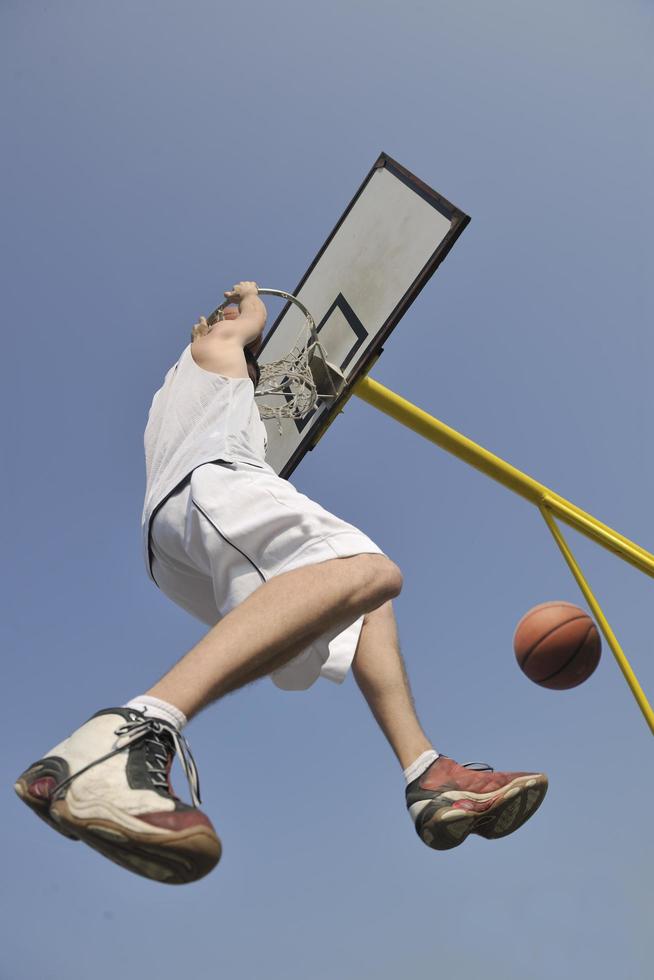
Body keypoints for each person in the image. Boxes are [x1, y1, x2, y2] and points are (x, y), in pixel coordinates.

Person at [14, 281, 548, 885]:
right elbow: (246, 320)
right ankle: (126, 735)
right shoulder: (212, 352)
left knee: (360, 600)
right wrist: (247, 299)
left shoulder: (184, 401)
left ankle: (426, 773)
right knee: (371, 569)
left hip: (174, 536)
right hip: (212, 483)